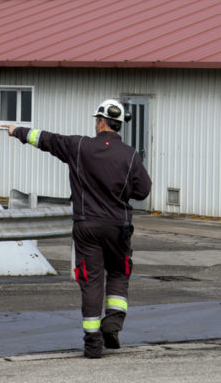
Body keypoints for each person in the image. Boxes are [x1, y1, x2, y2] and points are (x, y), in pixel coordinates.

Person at [8, 98, 151, 359]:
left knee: (92, 281)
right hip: (118, 227)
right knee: (119, 272)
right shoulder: (130, 155)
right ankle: (113, 322)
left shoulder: (79, 147)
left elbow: (46, 140)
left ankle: (93, 345)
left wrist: (18, 131)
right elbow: (143, 191)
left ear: (100, 122)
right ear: (118, 125)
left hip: (87, 227)